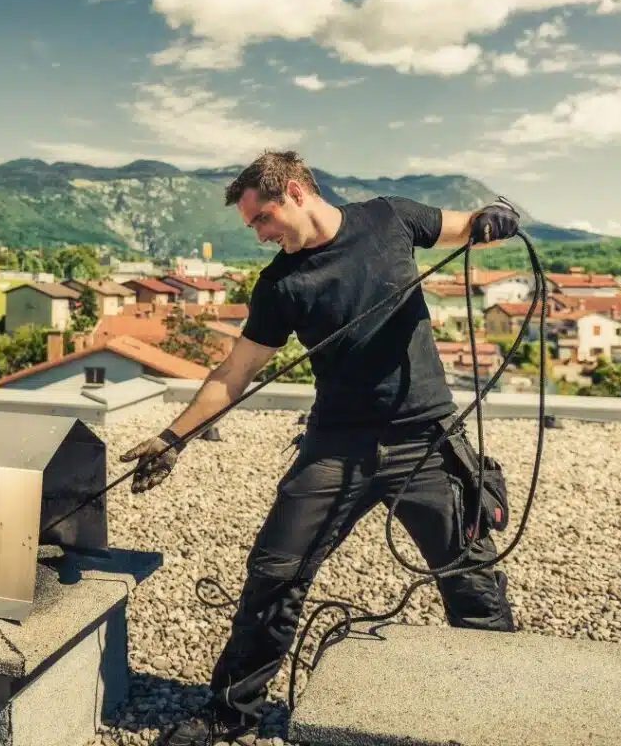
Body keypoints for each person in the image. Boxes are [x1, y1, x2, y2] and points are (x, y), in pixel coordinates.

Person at [120, 150, 521, 746]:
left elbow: (473, 222)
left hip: (425, 439)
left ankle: (507, 710)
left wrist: (499, 215)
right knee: (274, 574)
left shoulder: (390, 219)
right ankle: (231, 713)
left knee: (471, 580)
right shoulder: (280, 284)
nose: (259, 235)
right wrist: (174, 439)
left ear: (294, 192)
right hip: (335, 445)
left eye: (261, 219)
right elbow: (234, 373)